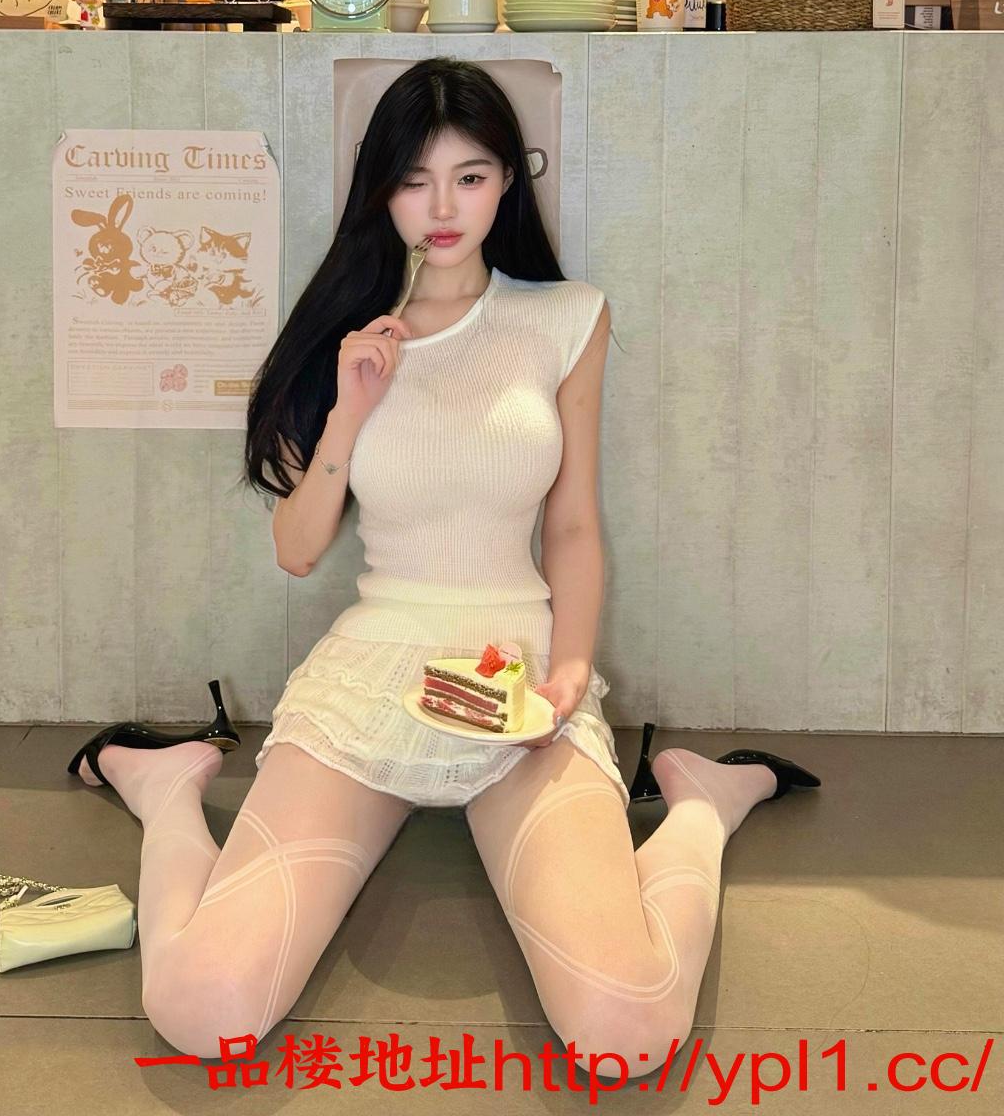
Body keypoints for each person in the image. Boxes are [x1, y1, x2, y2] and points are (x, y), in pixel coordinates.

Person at [67, 57, 820, 1076]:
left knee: (627, 1032)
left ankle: (703, 805)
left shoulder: (566, 318)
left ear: (509, 178)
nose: (443, 207)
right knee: (203, 1011)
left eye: (470, 176)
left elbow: (573, 527)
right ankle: (164, 791)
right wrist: (350, 408)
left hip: (518, 675)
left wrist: (568, 673)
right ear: (382, 190)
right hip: (373, 673)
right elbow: (297, 550)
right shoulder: (347, 336)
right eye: (415, 180)